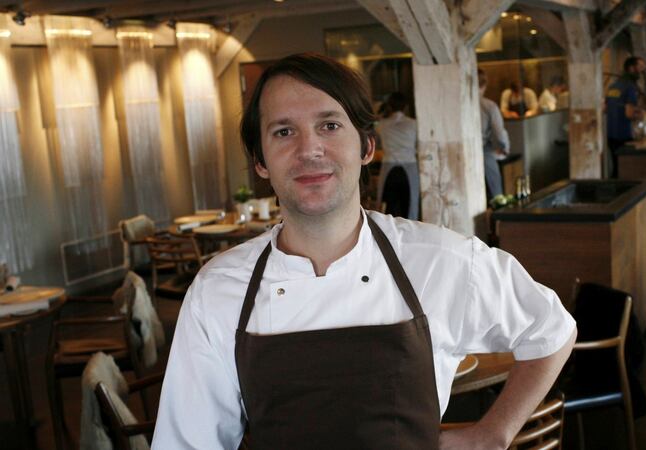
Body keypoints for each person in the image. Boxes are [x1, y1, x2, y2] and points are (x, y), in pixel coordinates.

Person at [152, 53, 575, 449]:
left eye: (330, 126)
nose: (309, 149)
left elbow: (552, 330)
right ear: (260, 161)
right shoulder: (218, 289)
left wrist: (492, 434)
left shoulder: (441, 260)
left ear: (367, 148)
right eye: (284, 131)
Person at [375, 92, 419, 220]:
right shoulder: (414, 124)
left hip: (389, 166)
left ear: (389, 106)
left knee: (387, 207)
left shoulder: (382, 125)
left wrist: (381, 114)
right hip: (409, 166)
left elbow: (373, 125)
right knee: (410, 206)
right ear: (405, 106)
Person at [606, 56, 646, 177]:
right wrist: (641, 115)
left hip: (611, 134)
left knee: (616, 168)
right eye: (640, 67)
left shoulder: (613, 86)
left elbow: (605, 108)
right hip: (624, 134)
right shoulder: (630, 87)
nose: (642, 70)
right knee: (626, 171)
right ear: (631, 68)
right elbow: (629, 113)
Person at [479, 68, 511, 200]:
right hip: (482, 151)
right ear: (484, 85)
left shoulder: (454, 105)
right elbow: (499, 133)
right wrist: (504, 149)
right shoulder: (488, 106)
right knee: (496, 193)